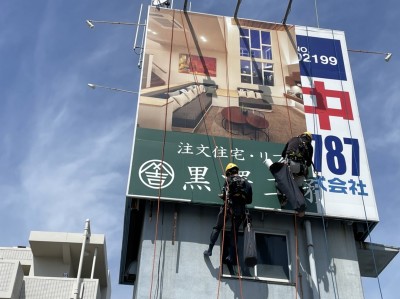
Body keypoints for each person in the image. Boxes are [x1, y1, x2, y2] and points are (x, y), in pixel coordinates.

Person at [203, 163, 252, 264]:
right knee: (234, 232)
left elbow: (225, 195)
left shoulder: (228, 180)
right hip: (240, 211)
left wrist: (224, 197)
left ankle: (210, 250)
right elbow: (249, 200)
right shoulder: (247, 183)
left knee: (217, 227)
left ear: (229, 172)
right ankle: (230, 256)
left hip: (228, 208)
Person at [279, 132, 313, 210]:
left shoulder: (293, 139)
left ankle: (283, 197)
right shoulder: (309, 146)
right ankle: (299, 200)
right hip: (300, 168)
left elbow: (283, 154)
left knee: (283, 179)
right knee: (298, 185)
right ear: (309, 139)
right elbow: (308, 163)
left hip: (289, 164)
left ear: (301, 135)